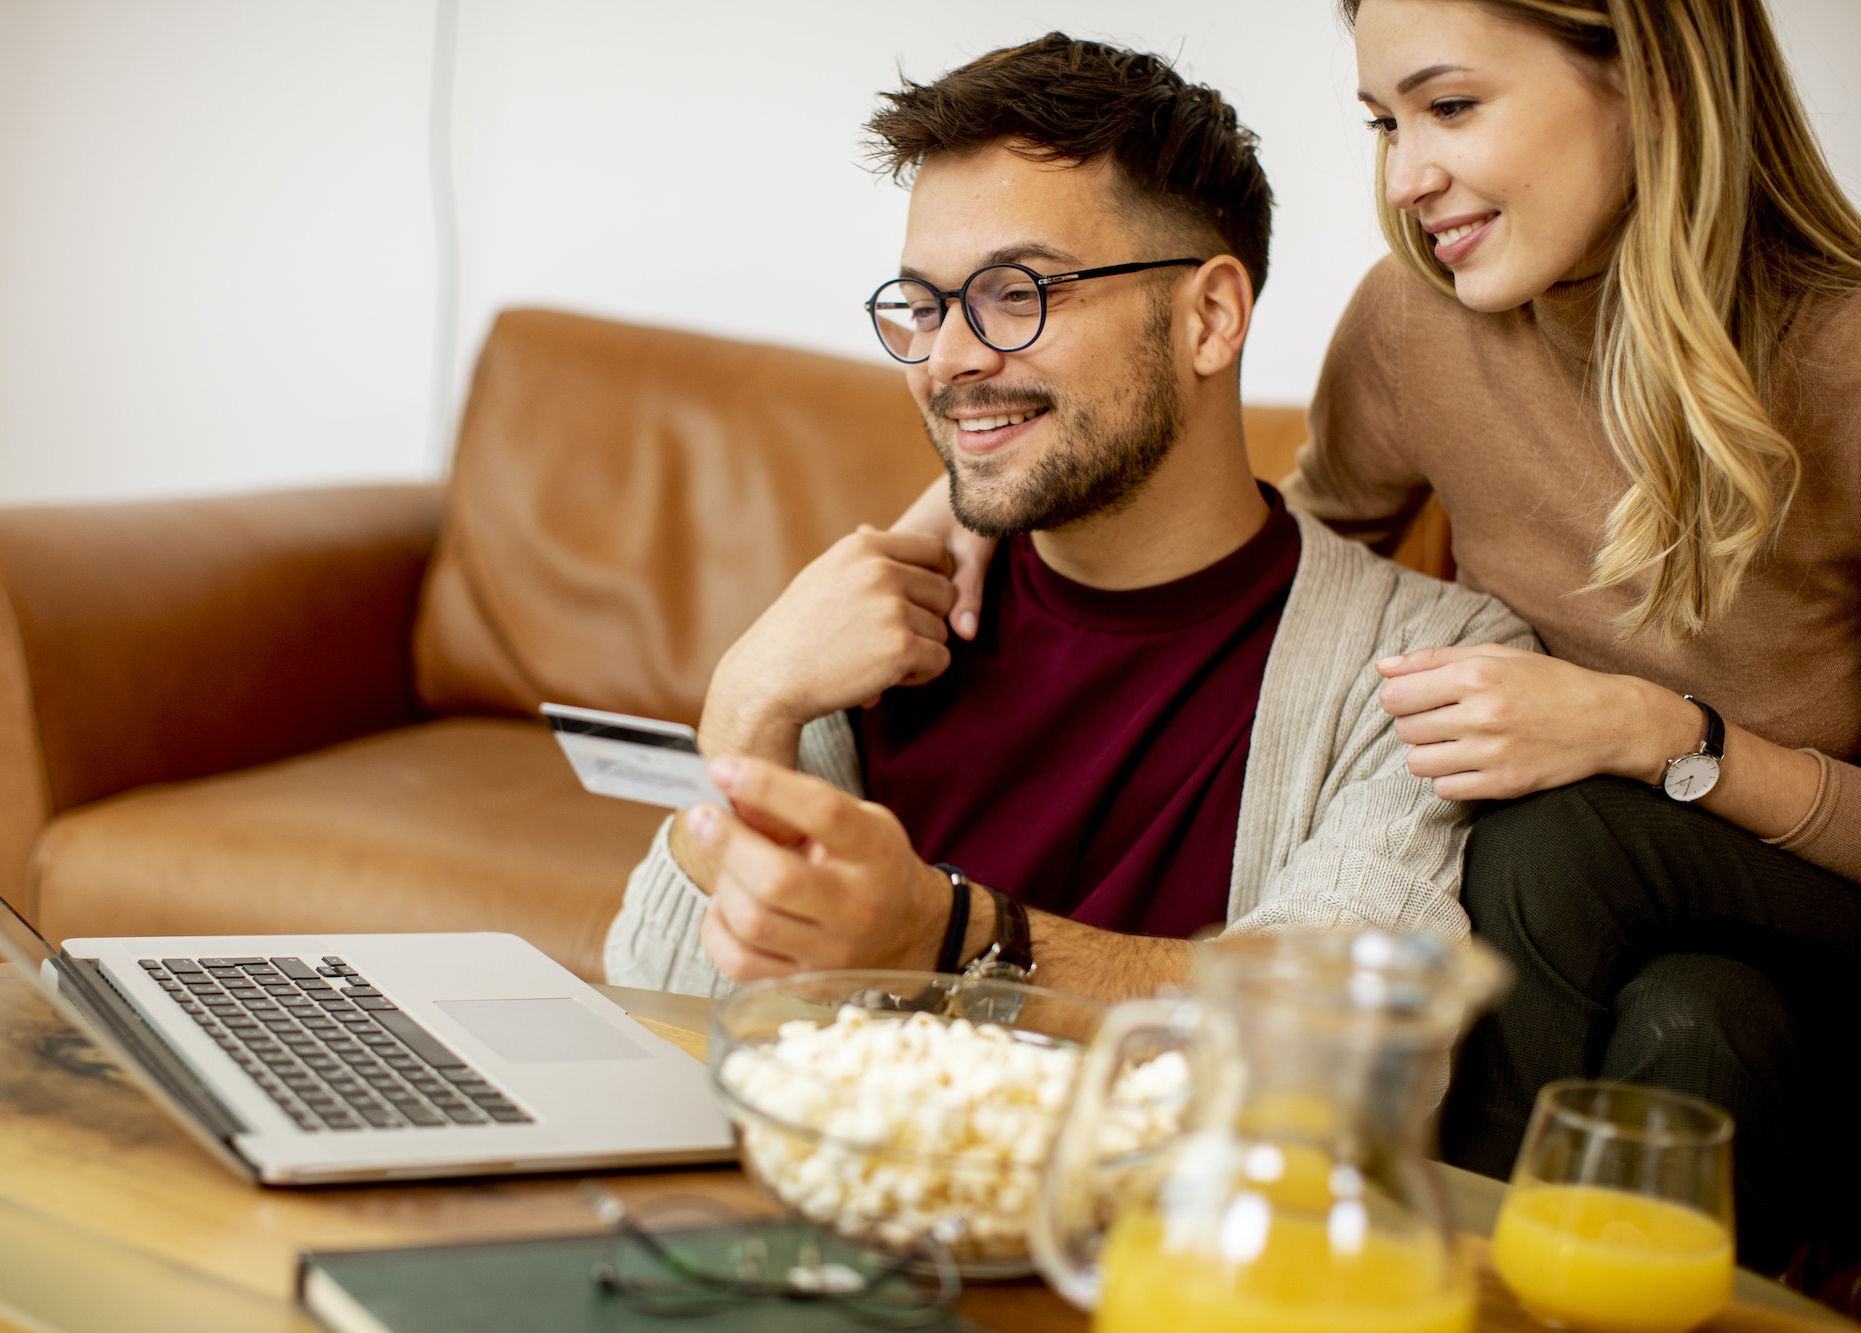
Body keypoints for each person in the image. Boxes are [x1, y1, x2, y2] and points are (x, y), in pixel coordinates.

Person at [901, 0, 1861, 1276]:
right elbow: (1290, 563)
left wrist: (1663, 738)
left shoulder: (1840, 355)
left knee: (1544, 830)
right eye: (1382, 121)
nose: (1405, 178)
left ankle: (1394, 1278)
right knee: (1696, 1028)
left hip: (1806, 888)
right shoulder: (1418, 324)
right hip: (1667, 952)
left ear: (1644, 81)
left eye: (1449, 107)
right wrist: (985, 493)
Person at [602, 34, 1532, 1007]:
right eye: (923, 304)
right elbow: (665, 1010)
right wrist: (748, 704)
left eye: (1015, 294)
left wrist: (949, 934)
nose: (945, 359)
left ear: (1207, 318)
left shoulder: (1427, 672)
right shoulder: (865, 626)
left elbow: (1334, 1035)